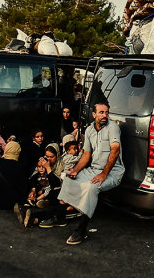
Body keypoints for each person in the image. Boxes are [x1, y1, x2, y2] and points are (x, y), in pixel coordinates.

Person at [39, 102, 125, 246]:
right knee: (68, 179)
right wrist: (75, 170)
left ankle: (81, 230)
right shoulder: (90, 130)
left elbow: (115, 150)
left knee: (91, 188)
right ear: (94, 114)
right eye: (101, 112)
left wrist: (104, 174)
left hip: (112, 172)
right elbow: (86, 156)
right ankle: (60, 218)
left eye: (107, 112)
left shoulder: (113, 128)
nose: (105, 115)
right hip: (94, 169)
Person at [14, 145, 64, 228]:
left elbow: (56, 184)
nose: (48, 159)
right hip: (41, 186)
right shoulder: (43, 161)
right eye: (47, 156)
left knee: (52, 193)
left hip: (53, 190)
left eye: (51, 157)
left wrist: (48, 168)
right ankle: (24, 208)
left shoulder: (61, 164)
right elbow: (34, 176)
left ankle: (31, 215)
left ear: (57, 155)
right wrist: (33, 190)